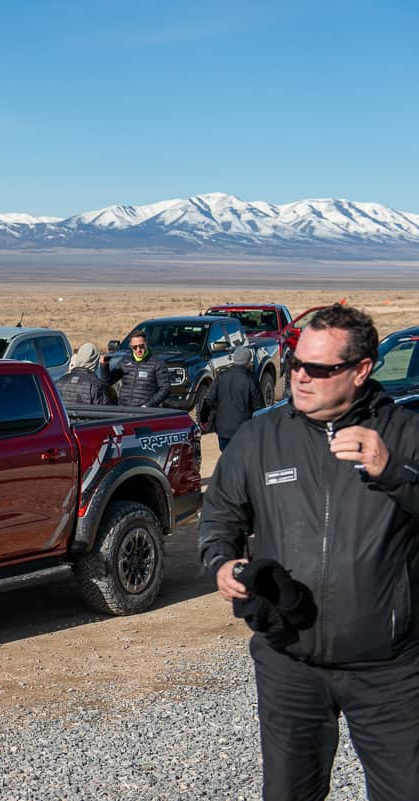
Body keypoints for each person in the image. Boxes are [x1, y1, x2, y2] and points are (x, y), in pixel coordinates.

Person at [198, 304, 419, 801]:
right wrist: (222, 564)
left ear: (361, 371)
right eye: (297, 362)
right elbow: (220, 521)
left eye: (319, 369)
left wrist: (396, 473)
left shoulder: (406, 434)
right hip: (288, 661)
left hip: (390, 668)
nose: (300, 377)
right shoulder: (259, 437)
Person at [198, 346, 263, 451]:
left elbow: (208, 400)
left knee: (227, 460)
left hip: (223, 431)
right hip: (243, 431)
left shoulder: (221, 377)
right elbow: (259, 408)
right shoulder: (251, 379)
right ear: (247, 362)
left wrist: (203, 419)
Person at [103, 329, 169, 407]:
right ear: (131, 346)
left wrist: (148, 405)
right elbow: (107, 382)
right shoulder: (124, 361)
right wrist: (104, 366)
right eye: (135, 347)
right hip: (124, 409)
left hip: (144, 412)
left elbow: (165, 389)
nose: (138, 350)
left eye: (141, 346)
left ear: (146, 344)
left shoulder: (157, 363)